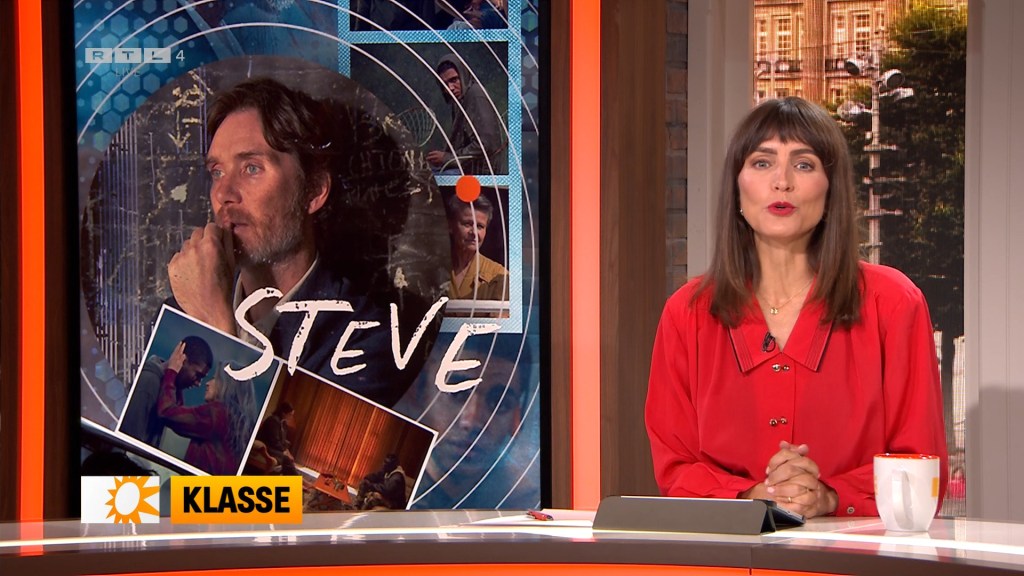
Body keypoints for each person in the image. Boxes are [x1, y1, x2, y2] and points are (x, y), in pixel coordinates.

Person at [645, 97, 948, 519]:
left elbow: (921, 466)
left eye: (804, 165)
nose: (782, 182)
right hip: (729, 551)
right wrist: (754, 496)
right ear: (737, 187)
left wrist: (830, 496)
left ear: (830, 188)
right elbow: (675, 466)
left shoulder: (894, 303)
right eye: (762, 162)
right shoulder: (688, 312)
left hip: (856, 552)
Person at [165, 77, 410, 407]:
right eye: (217, 172)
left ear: (314, 191)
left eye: (252, 168)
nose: (223, 193)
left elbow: (269, 442)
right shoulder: (180, 308)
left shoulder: (368, 338)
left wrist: (214, 327)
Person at [156, 348, 258, 475]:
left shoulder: (217, 413)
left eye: (215, 378)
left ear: (227, 385)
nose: (208, 383)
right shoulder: (240, 422)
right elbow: (180, 417)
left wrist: (172, 372)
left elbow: (167, 412)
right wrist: (180, 383)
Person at [121, 336, 213, 447]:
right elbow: (128, 441)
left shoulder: (167, 389)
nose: (198, 383)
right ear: (182, 361)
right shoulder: (150, 381)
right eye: (198, 375)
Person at [426, 55, 502, 174]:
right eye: (444, 84)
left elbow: (486, 143)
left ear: (463, 75)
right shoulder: (459, 100)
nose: (450, 88)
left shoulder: (475, 94)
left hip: (482, 171)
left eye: (454, 80)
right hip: (467, 166)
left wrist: (448, 158)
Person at [446, 194, 509, 302]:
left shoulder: (499, 276)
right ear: (450, 226)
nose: (474, 232)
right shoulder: (431, 271)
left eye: (480, 226)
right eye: (467, 224)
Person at [255, 401, 299, 475]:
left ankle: (295, 478)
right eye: (290, 415)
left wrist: (287, 451)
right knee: (285, 458)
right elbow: (274, 440)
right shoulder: (272, 420)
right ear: (283, 413)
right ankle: (297, 478)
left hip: (275, 447)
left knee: (288, 459)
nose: (291, 417)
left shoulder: (284, 424)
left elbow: (283, 441)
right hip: (267, 445)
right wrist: (284, 451)